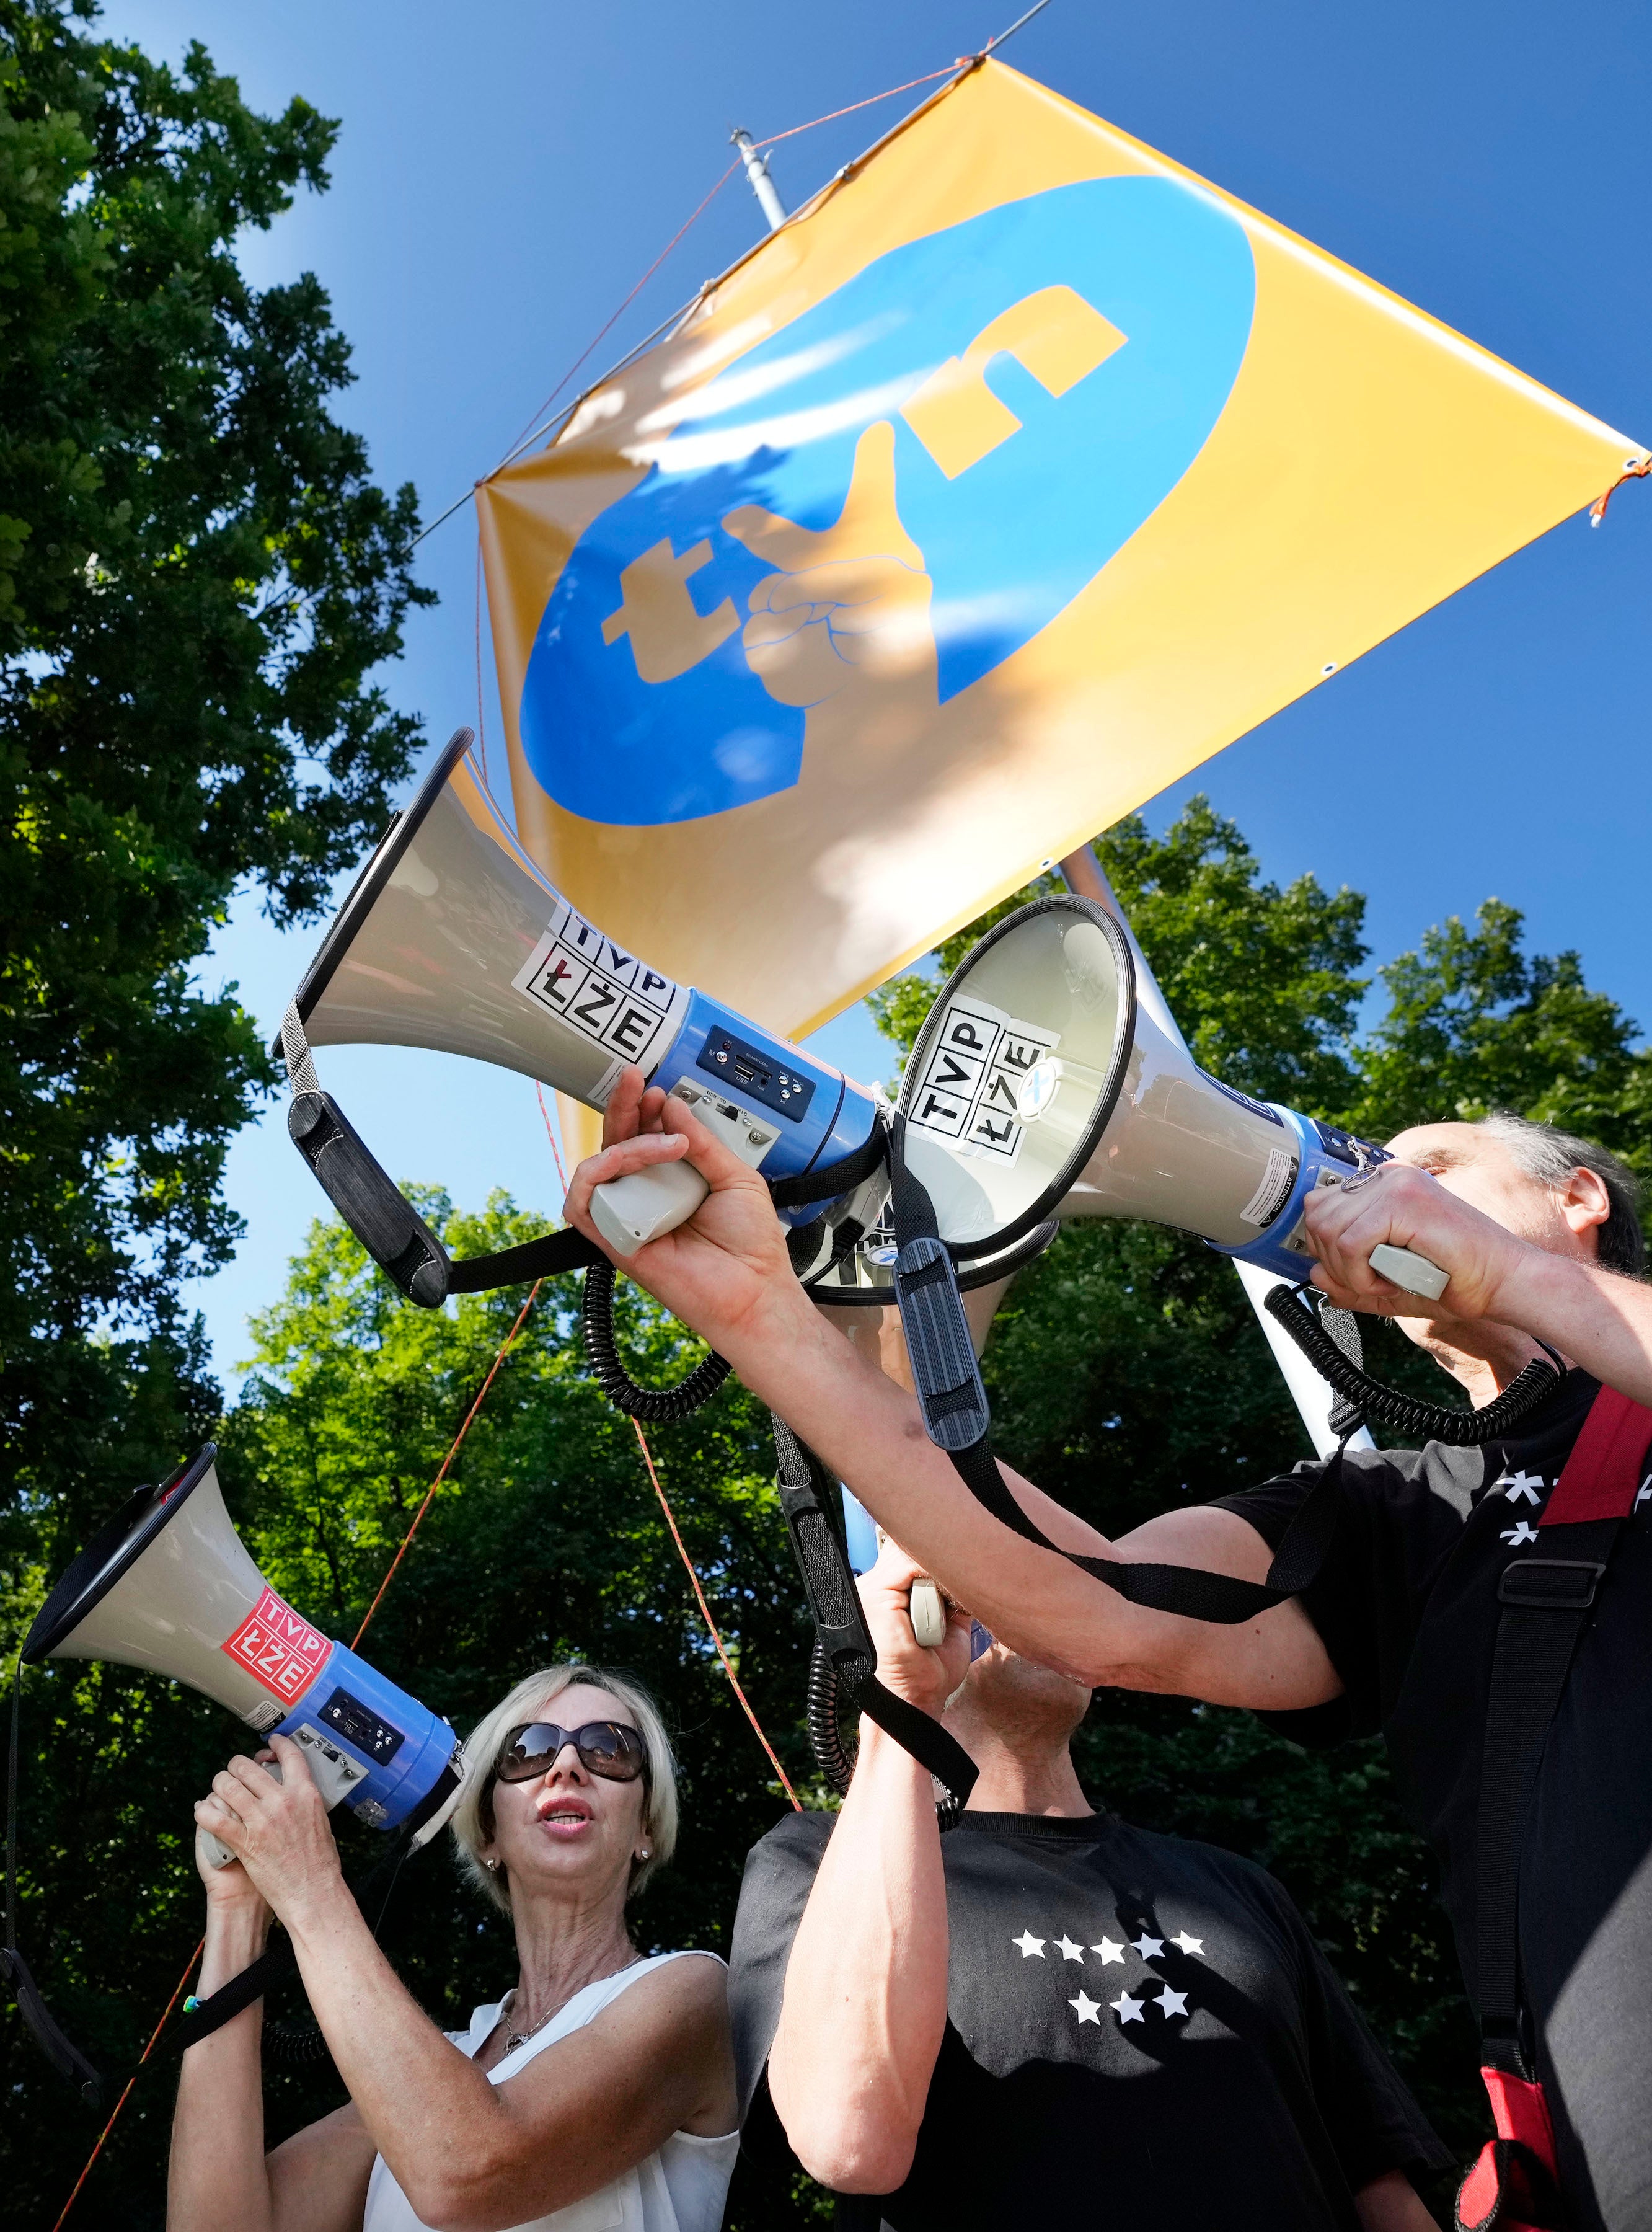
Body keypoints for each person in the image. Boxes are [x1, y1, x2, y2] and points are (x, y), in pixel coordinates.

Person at [563, 1079, 1652, 2231]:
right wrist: (766, 1318)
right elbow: (1086, 1602)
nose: (1379, 1186)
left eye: (1427, 1166)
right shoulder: (1397, 1515)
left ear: (1579, 1196)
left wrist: (1528, 1282)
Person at [731, 1539, 1449, 2230]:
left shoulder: (1234, 1884)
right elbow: (848, 2140)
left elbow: (1377, 2180)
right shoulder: (815, 1864)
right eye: (991, 1572)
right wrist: (899, 1707)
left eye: (1050, 1570)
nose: (1039, 1593)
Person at [167, 1662, 738, 2232]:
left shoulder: (686, 1993)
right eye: (528, 1751)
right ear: (488, 1829)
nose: (567, 1766)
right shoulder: (431, 2071)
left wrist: (308, 1885)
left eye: (609, 1750)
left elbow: (467, 2174)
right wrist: (237, 1911)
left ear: (646, 1824)